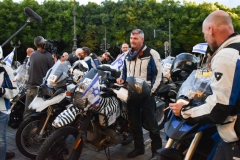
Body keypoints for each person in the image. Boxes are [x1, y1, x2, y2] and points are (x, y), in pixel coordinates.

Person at [169, 10, 240, 160]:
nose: (205, 38)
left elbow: (218, 109)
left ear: (211, 29)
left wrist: (184, 111)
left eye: (204, 34)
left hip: (236, 141)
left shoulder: (226, 56)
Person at [116, 29, 162, 158]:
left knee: (152, 126)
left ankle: (156, 152)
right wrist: (121, 78)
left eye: (135, 38)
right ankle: (139, 148)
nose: (132, 41)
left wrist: (151, 91)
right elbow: (124, 72)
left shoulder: (152, 53)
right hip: (131, 94)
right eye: (131, 38)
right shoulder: (127, 55)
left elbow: (158, 75)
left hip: (147, 95)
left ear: (142, 39)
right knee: (135, 124)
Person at [23, 36, 55, 119]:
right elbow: (53, 71)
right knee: (40, 113)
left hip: (30, 87)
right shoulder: (48, 56)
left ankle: (25, 130)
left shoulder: (32, 55)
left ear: (35, 44)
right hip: (41, 89)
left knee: (28, 112)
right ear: (44, 44)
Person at [0, 58, 19, 159]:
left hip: (2, 110)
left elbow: (15, 91)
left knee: (1, 140)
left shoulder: (7, 70)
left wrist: (3, 91)